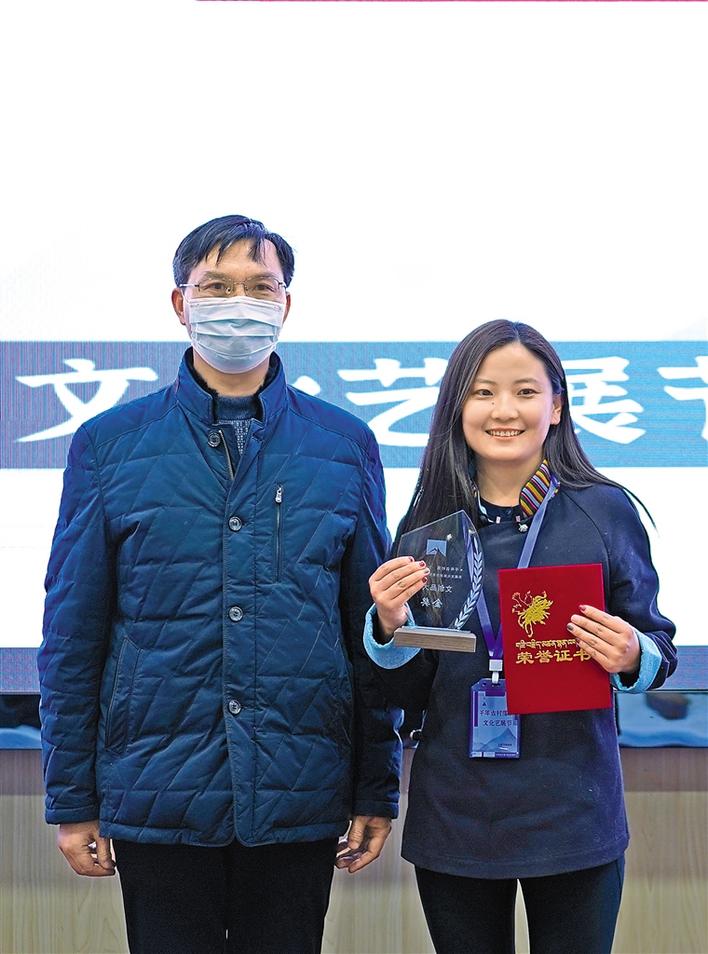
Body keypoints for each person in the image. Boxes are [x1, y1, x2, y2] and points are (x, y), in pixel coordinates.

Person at [38, 214, 402, 954]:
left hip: (300, 785)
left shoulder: (343, 445)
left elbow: (366, 628)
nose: (239, 303)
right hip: (157, 789)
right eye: (216, 286)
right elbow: (73, 633)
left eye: (260, 287)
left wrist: (376, 783)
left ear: (286, 304)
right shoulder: (109, 445)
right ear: (181, 303)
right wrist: (71, 798)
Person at [364, 320, 676, 954]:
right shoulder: (428, 522)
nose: (504, 410)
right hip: (457, 809)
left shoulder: (604, 510)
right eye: (483, 392)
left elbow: (657, 646)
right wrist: (388, 629)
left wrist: (631, 654)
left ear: (556, 406)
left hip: (574, 808)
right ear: (457, 408)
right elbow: (408, 688)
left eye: (526, 392)